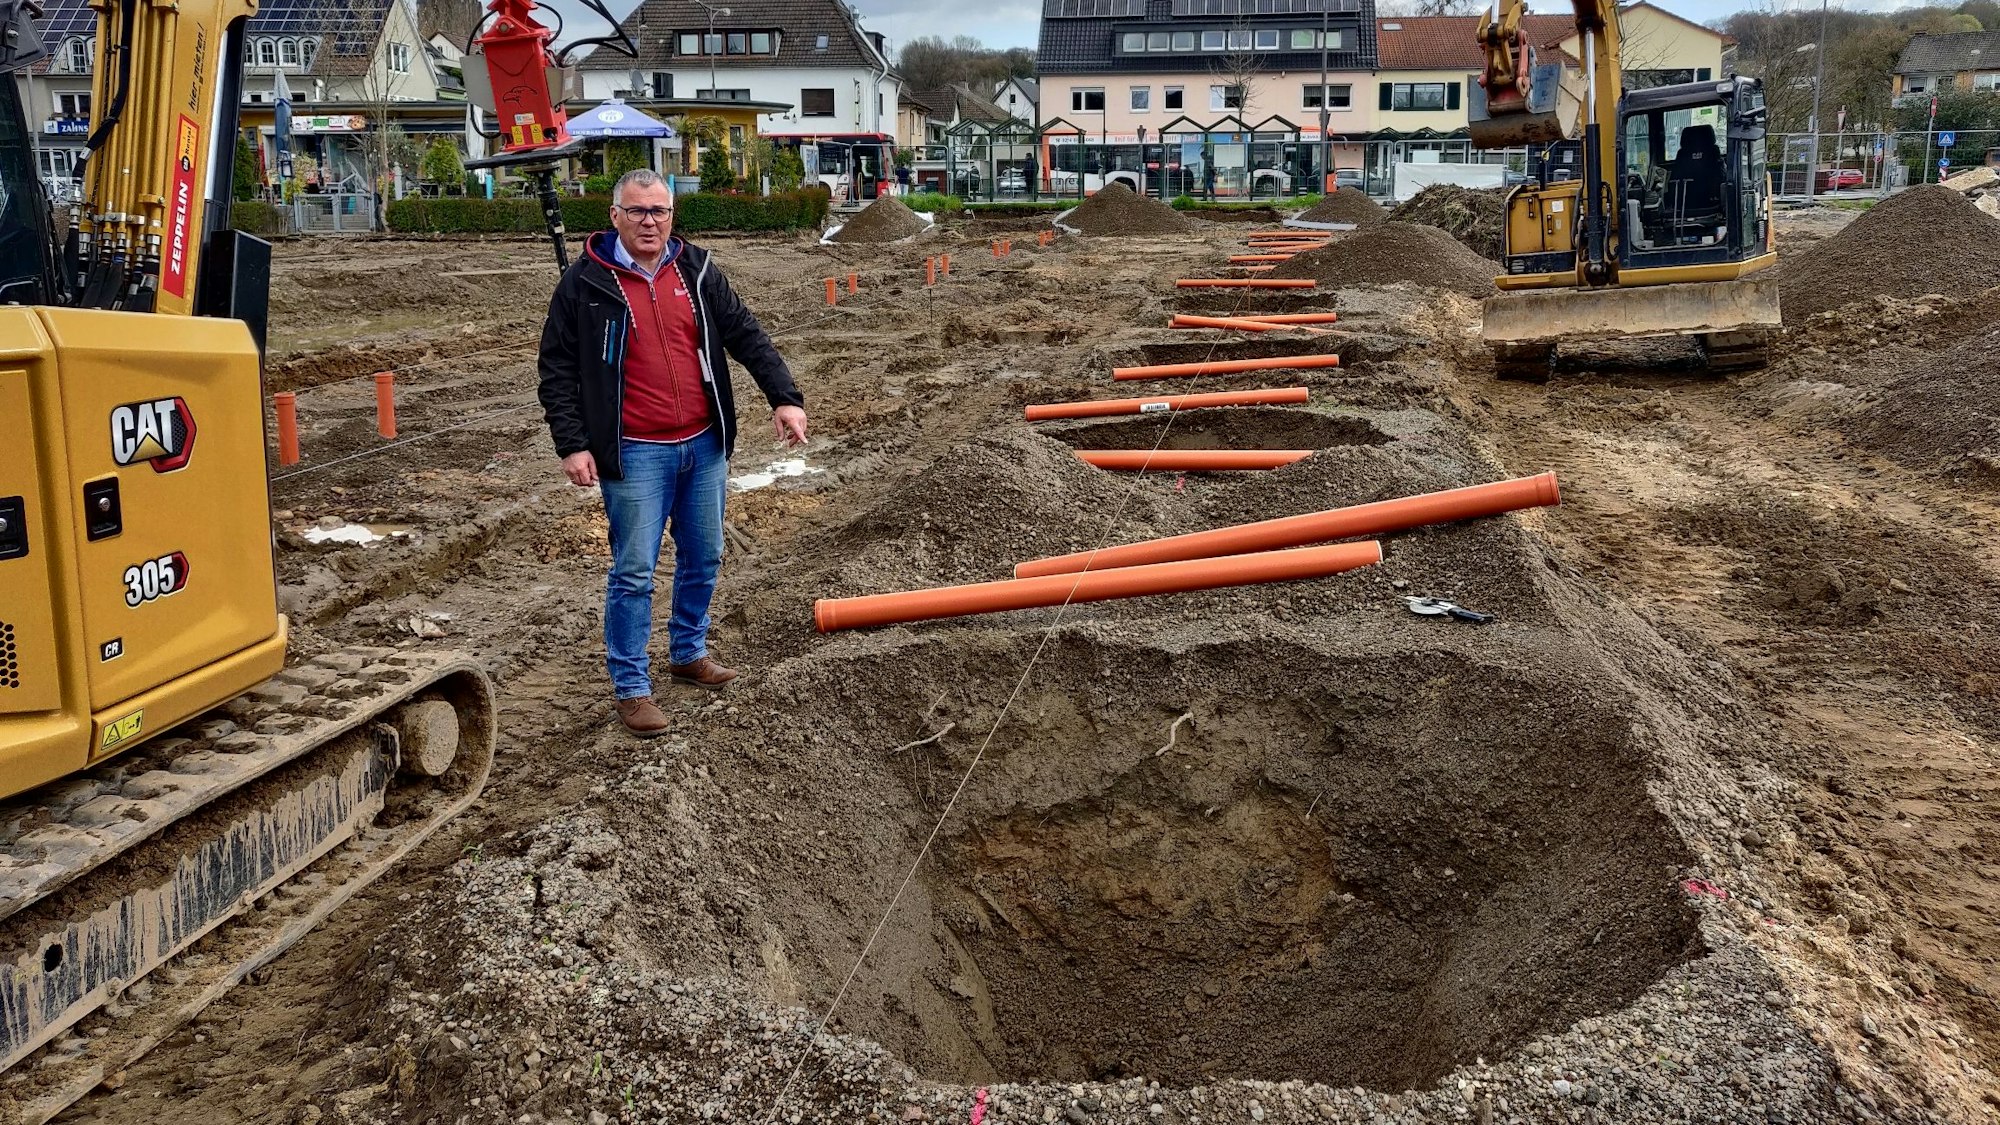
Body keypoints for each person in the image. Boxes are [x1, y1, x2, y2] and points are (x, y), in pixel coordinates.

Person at [537, 169, 808, 737]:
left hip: (703, 444)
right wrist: (573, 443)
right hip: (635, 452)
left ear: (671, 215)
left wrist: (784, 397)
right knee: (634, 572)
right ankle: (632, 687)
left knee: (704, 556)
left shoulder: (697, 269)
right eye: (637, 211)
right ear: (614, 217)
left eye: (659, 210)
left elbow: (746, 334)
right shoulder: (584, 284)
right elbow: (556, 370)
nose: (649, 221)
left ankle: (688, 652)